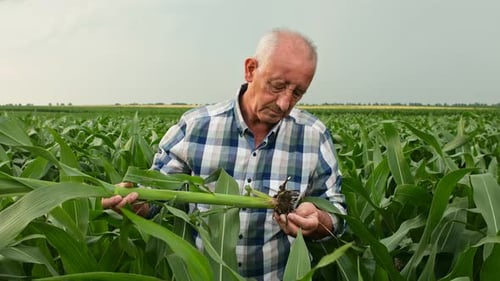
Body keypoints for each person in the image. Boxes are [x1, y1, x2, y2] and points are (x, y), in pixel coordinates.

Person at [103, 28, 346, 281]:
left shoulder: (313, 135)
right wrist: (136, 202)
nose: (285, 103)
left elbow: (336, 209)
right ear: (250, 69)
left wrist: (320, 220)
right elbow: (158, 192)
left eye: (297, 93)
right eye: (277, 86)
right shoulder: (196, 126)